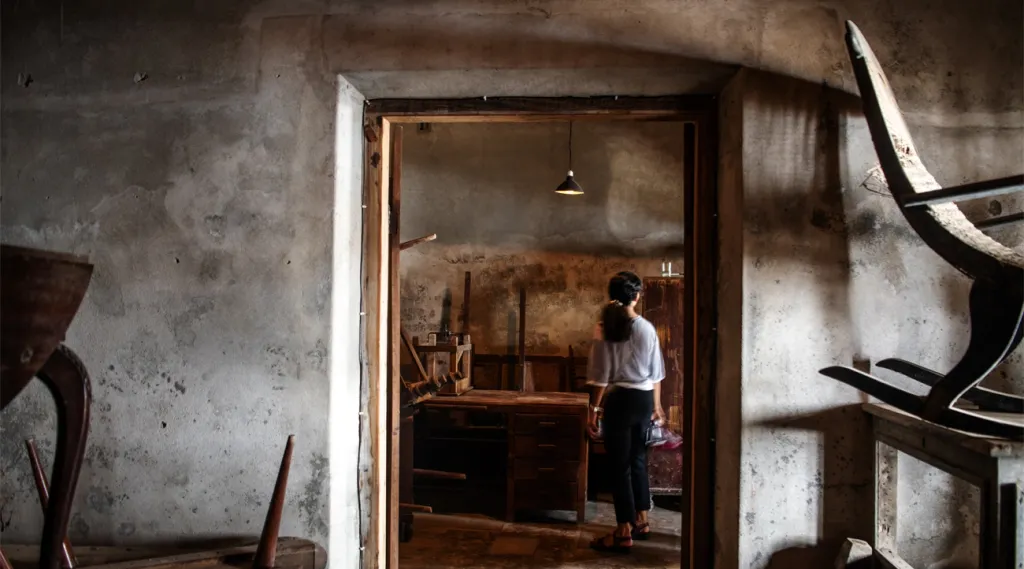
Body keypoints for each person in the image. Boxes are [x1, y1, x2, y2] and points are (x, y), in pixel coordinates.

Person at [586, 270, 666, 553]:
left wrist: (594, 409)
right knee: (638, 460)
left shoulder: (605, 327)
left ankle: (623, 531)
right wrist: (657, 405)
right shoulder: (647, 328)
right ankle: (641, 521)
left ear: (612, 296)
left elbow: (601, 376)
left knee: (619, 467)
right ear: (637, 296)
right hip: (643, 400)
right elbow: (656, 374)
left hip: (619, 401)